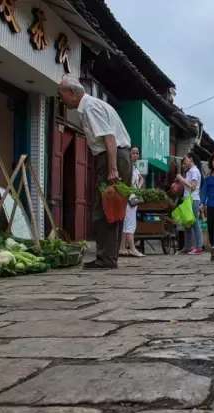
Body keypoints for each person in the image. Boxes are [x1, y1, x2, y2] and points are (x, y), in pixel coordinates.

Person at [58, 75, 131, 270]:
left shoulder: (90, 107)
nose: (61, 99)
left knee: (104, 207)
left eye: (62, 94)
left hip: (111, 156)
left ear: (72, 93)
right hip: (117, 155)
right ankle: (109, 257)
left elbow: (109, 137)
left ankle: (105, 258)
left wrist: (112, 168)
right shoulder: (94, 105)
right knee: (114, 206)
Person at [176, 152, 204, 255]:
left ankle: (198, 247)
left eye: (185, 161)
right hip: (187, 200)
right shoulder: (189, 171)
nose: (183, 164)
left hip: (193, 199)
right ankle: (188, 247)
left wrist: (181, 179)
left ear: (191, 159)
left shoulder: (194, 171)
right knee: (187, 224)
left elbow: (192, 186)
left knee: (195, 223)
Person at [120, 146, 144, 257]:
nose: (136, 155)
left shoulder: (134, 167)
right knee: (130, 223)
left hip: (133, 197)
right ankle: (133, 249)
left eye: (137, 153)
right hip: (128, 198)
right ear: (129, 154)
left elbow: (141, 178)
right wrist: (132, 190)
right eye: (133, 153)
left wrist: (137, 188)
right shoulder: (127, 166)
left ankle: (122, 248)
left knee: (127, 223)